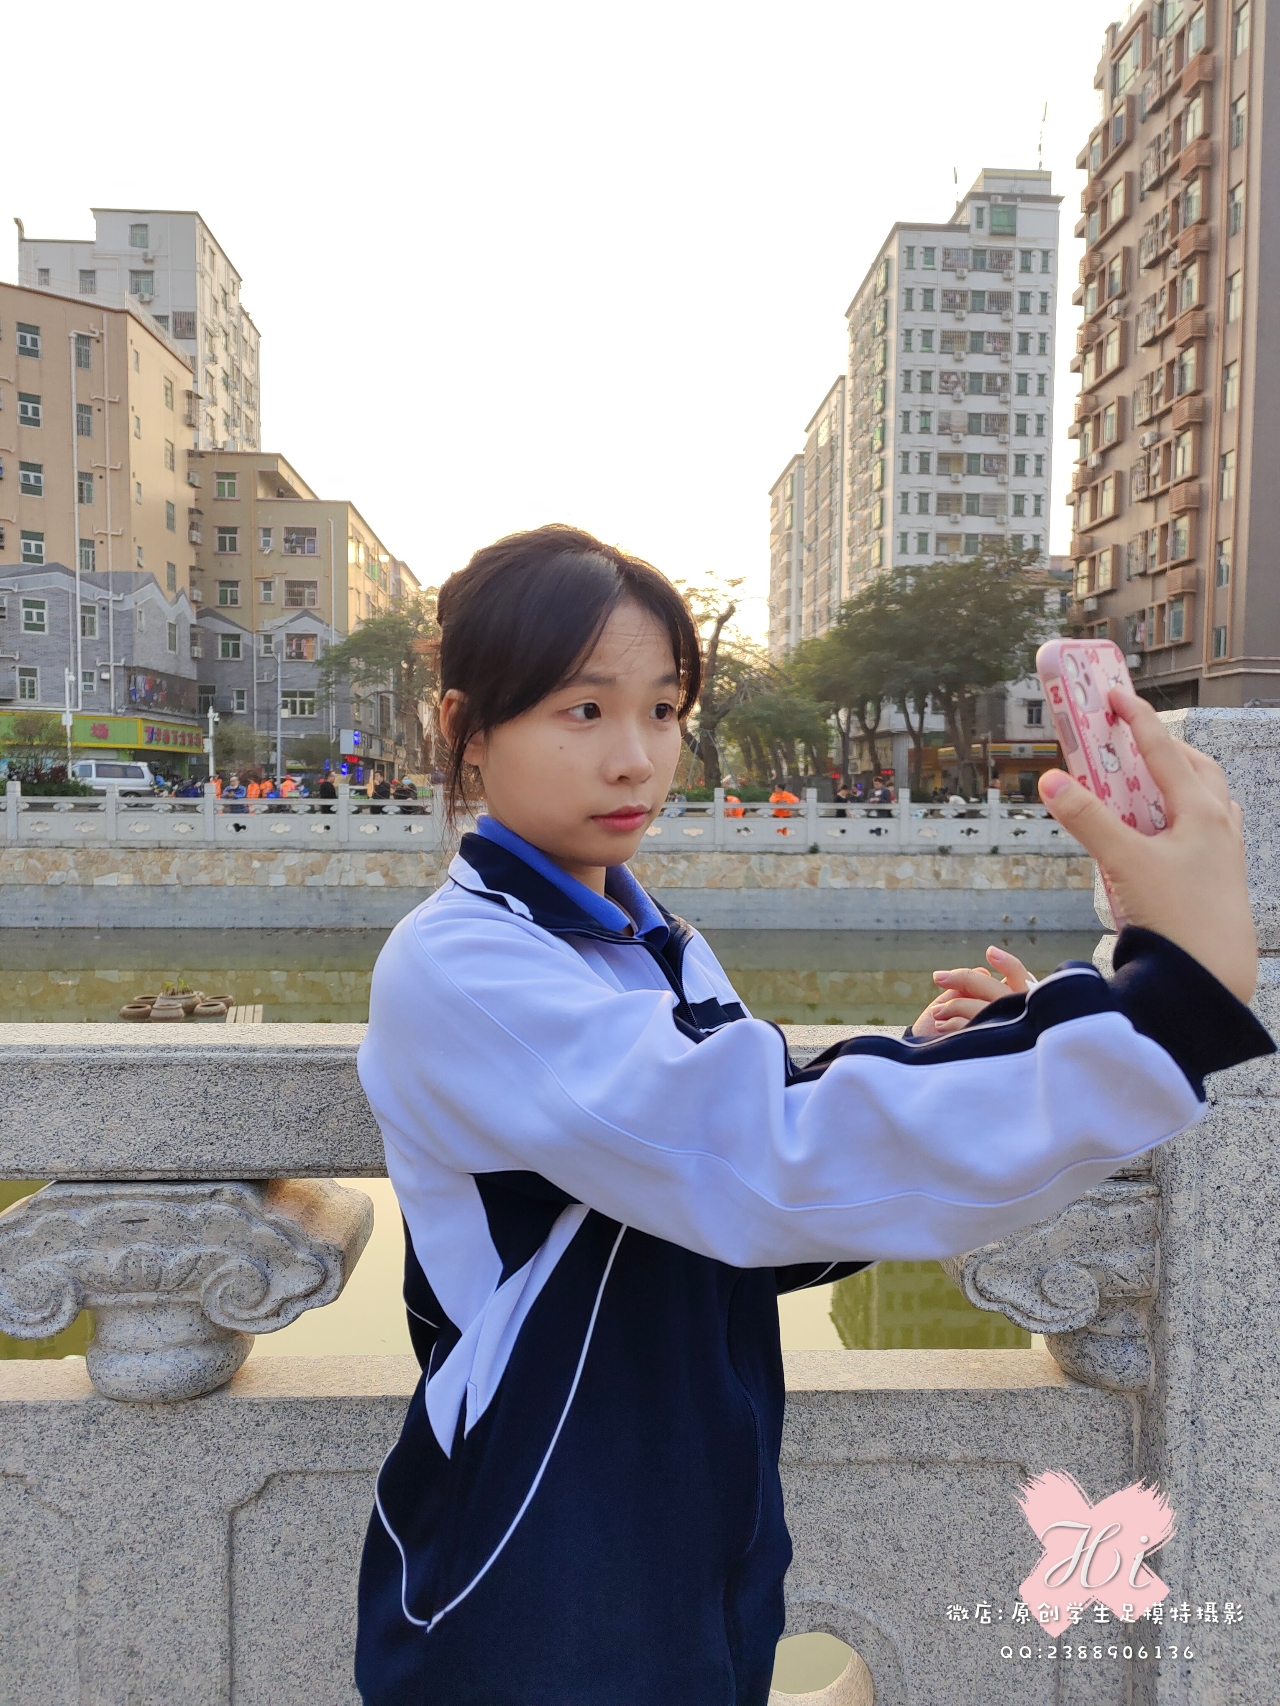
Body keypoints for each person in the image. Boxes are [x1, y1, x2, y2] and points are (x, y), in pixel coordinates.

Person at [353, 523, 1270, 1706]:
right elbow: (768, 1164)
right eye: (583, 710)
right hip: (536, 1555)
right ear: (466, 728)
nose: (635, 759)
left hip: (691, 1524)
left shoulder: (649, 940)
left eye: (664, 709)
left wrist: (964, 1050)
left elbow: (745, 1189)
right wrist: (1164, 1007)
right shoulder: (463, 965)